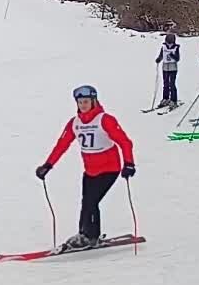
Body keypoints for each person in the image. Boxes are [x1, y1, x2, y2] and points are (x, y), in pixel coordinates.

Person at [35, 85, 136, 251]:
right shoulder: (75, 123)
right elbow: (62, 145)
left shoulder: (105, 119)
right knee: (86, 202)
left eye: (86, 101)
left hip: (109, 169)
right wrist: (48, 165)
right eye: (80, 102)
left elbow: (125, 142)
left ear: (93, 101)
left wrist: (129, 163)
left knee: (91, 201)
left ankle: (91, 236)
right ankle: (84, 234)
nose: (83, 105)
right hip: (90, 170)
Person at [154, 33, 181, 109]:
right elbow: (161, 55)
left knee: (172, 84)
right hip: (165, 68)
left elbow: (177, 58)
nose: (168, 44)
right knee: (165, 84)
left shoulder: (176, 48)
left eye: (170, 42)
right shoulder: (164, 47)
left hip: (173, 68)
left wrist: (172, 55)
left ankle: (173, 100)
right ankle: (165, 98)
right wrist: (159, 59)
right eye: (167, 42)